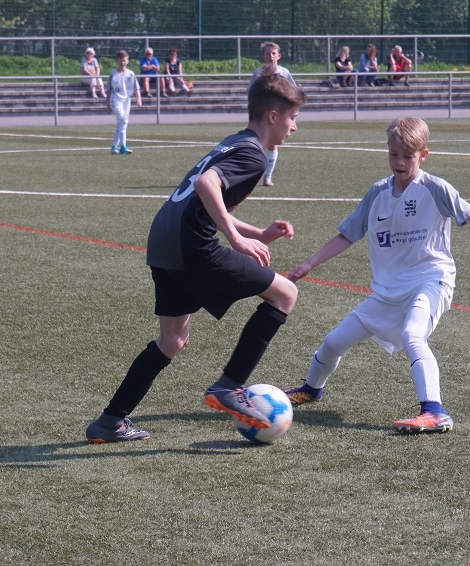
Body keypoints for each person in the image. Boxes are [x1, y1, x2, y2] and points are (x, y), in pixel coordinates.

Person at [85, 73, 307, 443]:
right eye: (292, 118)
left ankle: (109, 421)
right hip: (190, 246)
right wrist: (236, 238)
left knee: (172, 340)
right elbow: (207, 186)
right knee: (285, 294)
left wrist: (257, 233)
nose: (294, 126)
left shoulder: (235, 141)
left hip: (164, 240)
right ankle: (230, 385)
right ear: (273, 116)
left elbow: (203, 200)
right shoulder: (253, 155)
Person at [283, 117, 470, 434]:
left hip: (431, 280)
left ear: (424, 155)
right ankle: (311, 389)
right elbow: (348, 235)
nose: (400, 162)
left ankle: (434, 411)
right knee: (334, 342)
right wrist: (309, 264)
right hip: (388, 292)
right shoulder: (377, 193)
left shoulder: (435, 189)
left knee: (412, 334)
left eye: (408, 156)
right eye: (394, 154)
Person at [248, 42, 296, 187]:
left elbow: (293, 91)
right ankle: (249, 175)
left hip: (277, 114)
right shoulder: (258, 73)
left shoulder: (284, 73)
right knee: (257, 142)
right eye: (268, 53)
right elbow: (251, 92)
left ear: (279, 56)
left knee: (273, 144)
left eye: (273, 53)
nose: (271, 56)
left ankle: (267, 177)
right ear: (263, 56)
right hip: (261, 112)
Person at [107, 50, 143, 155]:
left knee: (121, 124)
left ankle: (114, 147)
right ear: (117, 61)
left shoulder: (131, 74)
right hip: (116, 100)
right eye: (120, 60)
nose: (122, 62)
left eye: (124, 60)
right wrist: (108, 104)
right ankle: (123, 146)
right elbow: (108, 90)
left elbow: (136, 88)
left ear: (127, 61)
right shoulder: (113, 74)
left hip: (127, 101)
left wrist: (139, 99)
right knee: (123, 121)